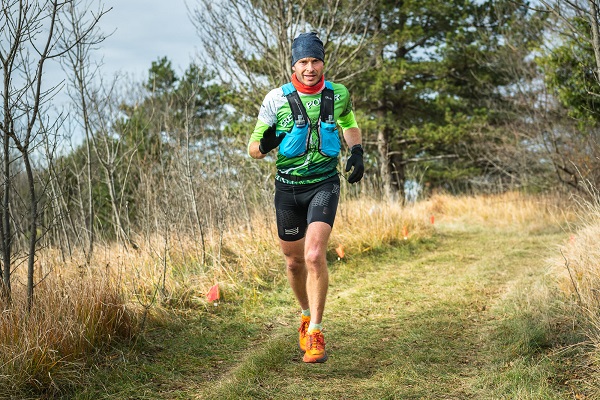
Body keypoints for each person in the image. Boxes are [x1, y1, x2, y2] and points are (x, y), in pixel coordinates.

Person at [248, 32, 364, 363]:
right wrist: (266, 143)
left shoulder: (338, 94)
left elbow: (349, 123)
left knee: (314, 255)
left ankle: (316, 331)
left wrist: (356, 149)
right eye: (303, 62)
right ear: (293, 66)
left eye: (315, 60)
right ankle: (303, 314)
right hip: (287, 189)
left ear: (323, 62)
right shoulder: (275, 100)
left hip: (324, 183)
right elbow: (253, 150)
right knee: (294, 261)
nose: (310, 67)